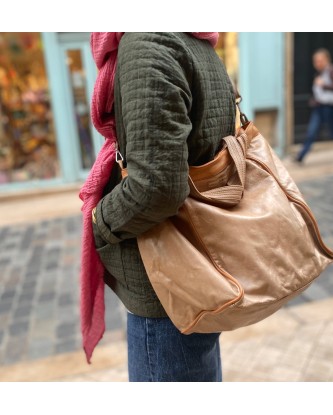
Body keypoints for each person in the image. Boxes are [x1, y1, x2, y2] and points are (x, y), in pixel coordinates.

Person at [79, 32, 237, 382]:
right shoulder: (195, 39)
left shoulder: (146, 42)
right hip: (199, 266)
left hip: (165, 283)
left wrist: (99, 221)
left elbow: (157, 187)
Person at [296, 48, 333, 163]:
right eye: (315, 61)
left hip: (330, 108)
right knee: (312, 131)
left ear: (327, 60)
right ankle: (300, 156)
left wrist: (323, 85)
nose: (317, 63)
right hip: (319, 107)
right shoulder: (320, 72)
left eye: (320, 61)